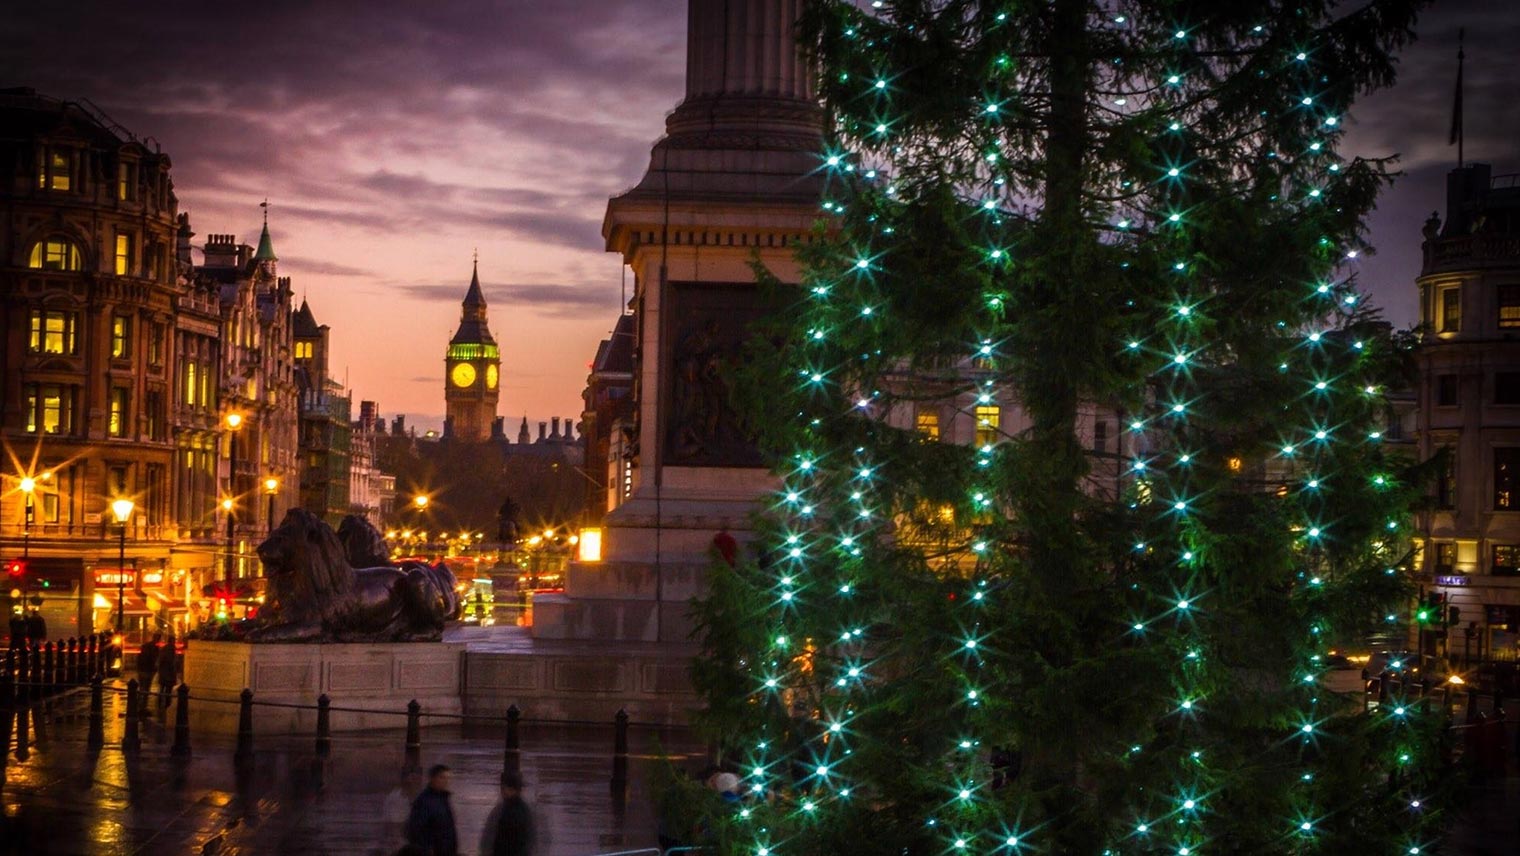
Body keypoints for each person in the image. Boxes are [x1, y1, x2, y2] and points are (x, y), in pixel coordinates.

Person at [404, 764, 458, 856]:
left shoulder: (443, 799)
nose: (446, 781)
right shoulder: (424, 801)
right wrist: (426, 849)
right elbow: (415, 829)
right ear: (432, 779)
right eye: (442, 777)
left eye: (448, 778)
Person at [478, 770, 535, 856]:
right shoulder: (524, 811)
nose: (502, 791)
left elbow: (488, 838)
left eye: (504, 788)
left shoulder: (501, 810)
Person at [382, 767, 424, 850]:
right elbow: (393, 824)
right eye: (412, 778)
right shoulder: (396, 798)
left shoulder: (421, 797)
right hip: (402, 842)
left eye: (417, 779)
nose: (415, 781)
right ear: (404, 779)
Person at [157, 633, 178, 704]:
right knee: (168, 689)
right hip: (169, 673)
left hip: (163, 672)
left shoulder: (164, 648)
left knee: (162, 688)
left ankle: (160, 701)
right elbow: (172, 661)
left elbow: (160, 659)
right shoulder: (172, 649)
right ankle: (167, 702)